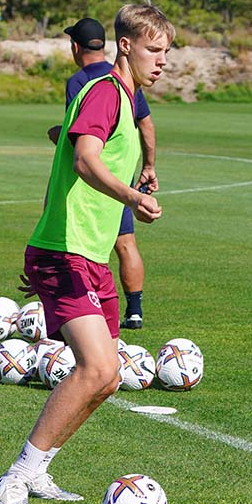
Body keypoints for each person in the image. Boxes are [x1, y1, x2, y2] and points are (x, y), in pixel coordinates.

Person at [0, 3, 173, 504]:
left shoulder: (128, 95)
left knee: (110, 376)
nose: (162, 61)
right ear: (125, 46)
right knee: (97, 366)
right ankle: (19, 473)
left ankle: (39, 468)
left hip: (89, 253)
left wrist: (142, 174)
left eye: (167, 52)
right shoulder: (104, 92)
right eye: (154, 50)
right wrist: (132, 196)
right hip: (66, 250)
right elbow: (84, 159)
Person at [50, 17, 157, 330]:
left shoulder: (84, 81)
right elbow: (146, 124)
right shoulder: (126, 81)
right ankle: (134, 310)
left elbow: (79, 142)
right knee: (126, 245)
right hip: (121, 181)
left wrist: (56, 133)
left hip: (95, 188)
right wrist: (149, 166)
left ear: (75, 47)